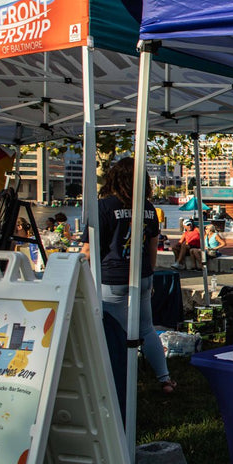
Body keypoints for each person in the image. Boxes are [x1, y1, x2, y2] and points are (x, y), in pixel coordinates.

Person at [80, 157, 177, 394]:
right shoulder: (148, 208)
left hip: (112, 279)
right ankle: (164, 379)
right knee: (146, 328)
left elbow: (87, 251)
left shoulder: (103, 207)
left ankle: (117, 382)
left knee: (114, 332)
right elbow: (153, 246)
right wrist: (150, 274)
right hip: (142, 276)